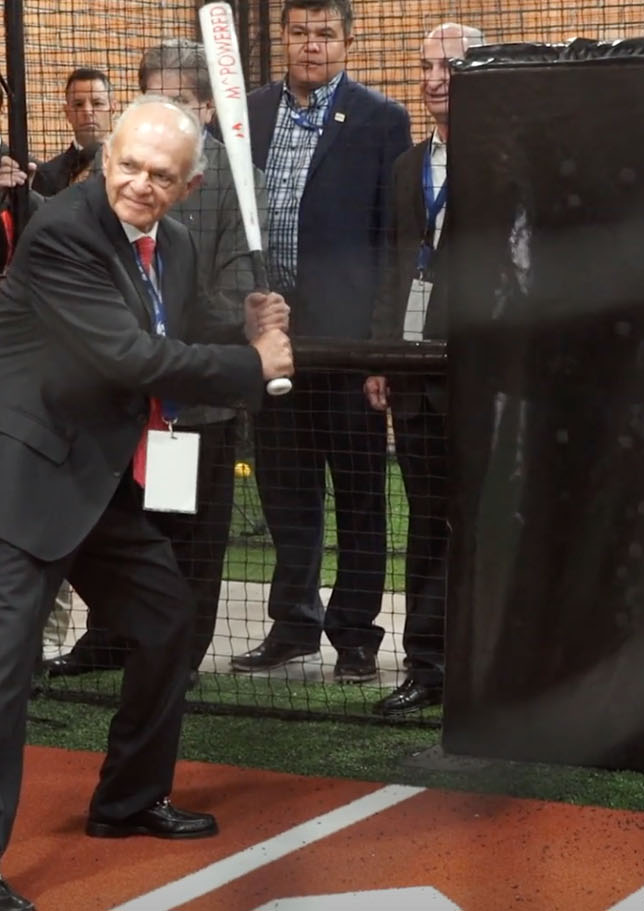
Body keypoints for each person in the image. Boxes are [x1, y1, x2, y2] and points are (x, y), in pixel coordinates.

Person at [0, 96, 292, 911]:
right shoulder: (63, 230)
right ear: (104, 157)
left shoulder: (181, 241)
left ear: (190, 184)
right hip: (23, 473)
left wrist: (245, 323)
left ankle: (128, 800)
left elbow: (181, 321)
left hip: (92, 475)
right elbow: (133, 354)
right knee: (3, 665)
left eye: (161, 175)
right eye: (127, 164)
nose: (139, 184)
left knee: (167, 618)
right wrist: (252, 362)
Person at [47, 38, 268, 685]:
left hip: (191, 400)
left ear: (204, 108)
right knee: (122, 524)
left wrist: (157, 326)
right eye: (150, 98)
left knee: (190, 536)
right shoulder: (121, 173)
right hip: (119, 394)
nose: (162, 112)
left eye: (175, 99)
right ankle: (111, 635)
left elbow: (234, 294)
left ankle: (179, 654)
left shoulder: (231, 179)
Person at [230, 0, 411, 683]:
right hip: (270, 340)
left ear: (349, 41)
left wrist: (379, 351)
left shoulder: (380, 120)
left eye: (325, 33)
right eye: (299, 32)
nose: (311, 45)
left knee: (361, 492)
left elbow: (393, 245)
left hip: (346, 349)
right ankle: (293, 623)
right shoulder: (249, 112)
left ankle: (356, 636)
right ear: (282, 38)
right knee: (284, 487)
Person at [365, 22, 482, 715]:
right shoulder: (408, 167)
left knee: (487, 524)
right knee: (426, 523)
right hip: (414, 379)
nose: (434, 78)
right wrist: (381, 354)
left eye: (450, 66)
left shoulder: (508, 158)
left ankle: (490, 665)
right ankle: (427, 663)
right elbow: (391, 265)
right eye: (426, 66)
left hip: (481, 376)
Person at [30, 67, 112, 197]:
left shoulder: (133, 162)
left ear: (112, 108)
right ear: (67, 112)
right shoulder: (47, 174)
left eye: (97, 103)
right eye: (78, 105)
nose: (88, 111)